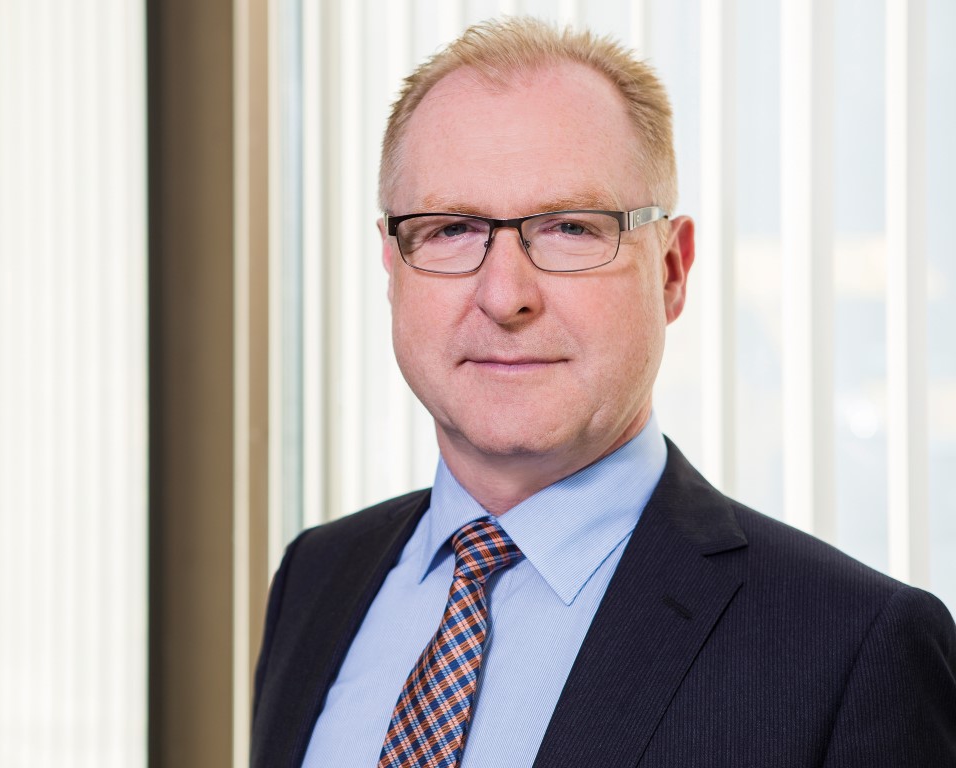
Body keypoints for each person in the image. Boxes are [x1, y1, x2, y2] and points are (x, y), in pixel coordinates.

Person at [251, 17, 956, 768]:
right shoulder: (316, 578)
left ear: (671, 271)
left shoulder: (852, 650)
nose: (505, 296)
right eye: (451, 229)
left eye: (571, 229)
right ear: (393, 269)